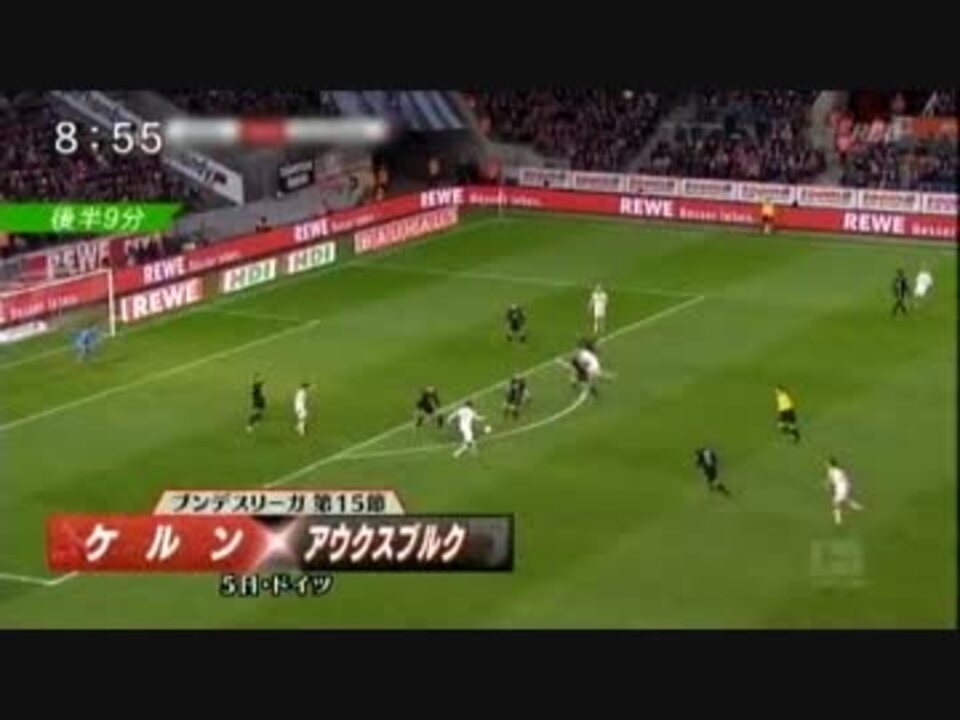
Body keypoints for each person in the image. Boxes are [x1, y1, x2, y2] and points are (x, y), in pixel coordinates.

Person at [825, 457, 863, 526]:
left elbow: (830, 480)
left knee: (835, 503)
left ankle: (838, 519)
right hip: (845, 486)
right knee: (845, 499)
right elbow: (845, 477)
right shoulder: (839, 470)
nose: (826, 464)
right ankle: (857, 506)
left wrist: (827, 485)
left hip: (840, 488)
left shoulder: (831, 471)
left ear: (830, 464)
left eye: (827, 463)